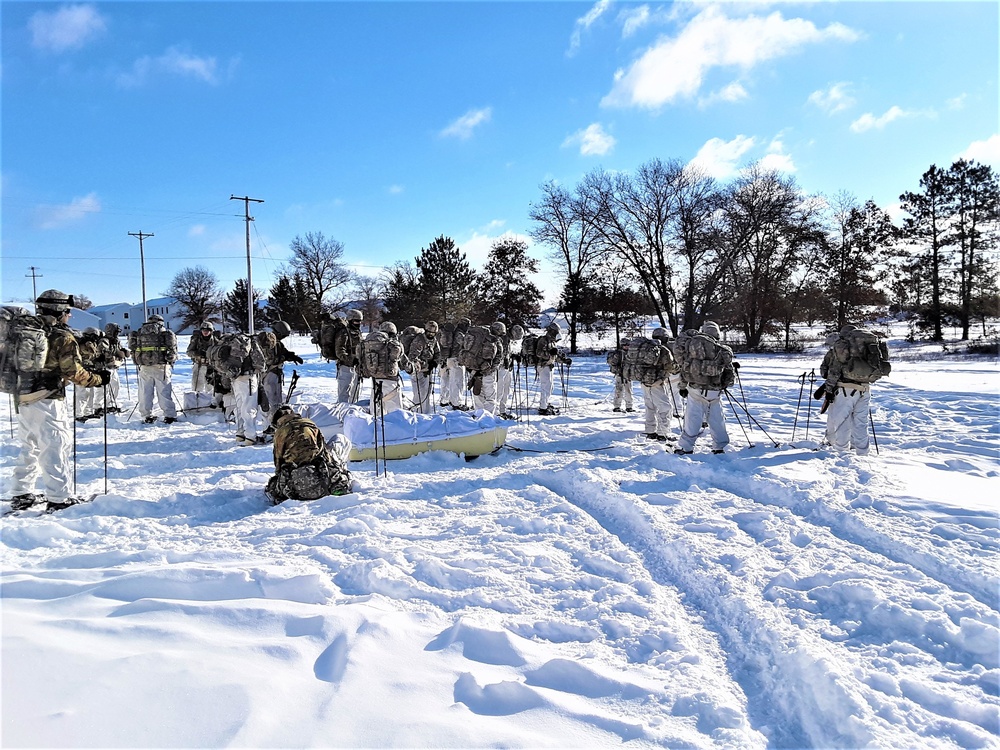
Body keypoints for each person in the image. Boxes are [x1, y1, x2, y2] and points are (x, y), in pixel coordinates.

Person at [8, 289, 109, 511]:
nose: (70, 316)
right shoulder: (62, 337)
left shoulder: (24, 331)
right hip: (48, 398)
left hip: (23, 396)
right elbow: (73, 372)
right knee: (55, 445)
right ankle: (59, 497)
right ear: (59, 311)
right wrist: (97, 379)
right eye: (67, 312)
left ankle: (21, 492)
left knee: (30, 445)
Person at [815, 324, 891, 455]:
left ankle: (841, 452)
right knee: (861, 423)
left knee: (843, 421)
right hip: (865, 388)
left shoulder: (842, 348)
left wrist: (828, 390)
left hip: (845, 389)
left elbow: (833, 371)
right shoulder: (867, 348)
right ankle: (863, 452)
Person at [264, 406, 353, 503]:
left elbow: (278, 461)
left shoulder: (280, 433)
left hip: (293, 473)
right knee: (340, 438)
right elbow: (323, 449)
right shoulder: (309, 424)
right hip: (318, 468)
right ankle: (341, 474)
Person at [673, 320, 736, 455]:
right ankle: (720, 447)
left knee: (692, 418)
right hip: (714, 391)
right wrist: (724, 385)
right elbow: (729, 376)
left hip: (695, 389)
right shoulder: (721, 350)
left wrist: (683, 386)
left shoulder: (692, 347)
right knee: (717, 419)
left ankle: (686, 447)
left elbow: (685, 367)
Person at [129, 314, 178, 424]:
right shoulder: (165, 332)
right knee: (164, 391)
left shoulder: (140, 332)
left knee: (145, 392)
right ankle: (169, 415)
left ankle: (146, 415)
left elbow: (132, 347)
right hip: (161, 366)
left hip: (144, 366)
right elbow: (172, 349)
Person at [630, 328, 677, 442]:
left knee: (650, 407)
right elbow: (670, 367)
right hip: (657, 382)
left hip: (644, 382)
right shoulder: (663, 350)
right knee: (665, 407)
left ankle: (650, 431)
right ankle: (663, 433)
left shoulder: (645, 348)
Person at [257, 322, 304, 431]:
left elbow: (283, 351)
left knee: (277, 401)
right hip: (269, 374)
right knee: (270, 401)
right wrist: (283, 358)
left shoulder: (277, 342)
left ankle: (275, 423)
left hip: (276, 374)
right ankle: (269, 426)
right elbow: (270, 359)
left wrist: (292, 356)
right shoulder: (267, 342)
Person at [359, 322, 408, 416]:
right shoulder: (392, 343)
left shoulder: (369, 342)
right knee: (395, 411)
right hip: (390, 379)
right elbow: (399, 357)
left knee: (376, 409)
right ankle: (394, 429)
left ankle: (374, 426)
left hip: (375, 379)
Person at [460, 323, 503, 414]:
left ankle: (478, 413)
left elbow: (463, 348)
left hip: (472, 368)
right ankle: (489, 415)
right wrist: (491, 369)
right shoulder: (495, 341)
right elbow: (498, 357)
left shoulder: (476, 335)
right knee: (490, 395)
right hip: (487, 371)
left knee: (477, 393)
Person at [405, 321, 441, 414]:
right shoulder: (419, 340)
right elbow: (412, 358)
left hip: (428, 372)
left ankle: (425, 413)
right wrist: (426, 365)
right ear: (426, 330)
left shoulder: (433, 340)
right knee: (419, 394)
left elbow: (437, 352)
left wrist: (435, 362)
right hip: (418, 372)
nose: (431, 335)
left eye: (433, 333)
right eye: (429, 332)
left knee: (427, 393)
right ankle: (417, 413)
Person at [535, 322, 571, 416]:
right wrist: (549, 353)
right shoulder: (543, 340)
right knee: (545, 386)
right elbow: (539, 353)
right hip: (543, 366)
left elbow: (555, 355)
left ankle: (545, 404)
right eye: (555, 332)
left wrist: (564, 360)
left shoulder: (552, 341)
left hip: (549, 366)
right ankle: (543, 408)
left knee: (550, 387)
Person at [74, 327, 105, 422]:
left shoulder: (92, 344)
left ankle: (88, 412)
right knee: (82, 394)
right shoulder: (81, 344)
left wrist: (99, 359)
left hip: (90, 371)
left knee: (90, 393)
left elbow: (93, 355)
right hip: (81, 372)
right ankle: (79, 414)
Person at [335, 310, 364, 404]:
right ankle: (342, 410)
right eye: (356, 321)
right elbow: (339, 351)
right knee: (344, 391)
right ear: (350, 320)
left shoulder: (358, 332)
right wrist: (351, 359)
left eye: (360, 321)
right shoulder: (344, 333)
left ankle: (352, 409)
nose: (359, 323)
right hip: (345, 366)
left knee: (355, 390)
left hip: (357, 366)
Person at [496, 323, 523, 419]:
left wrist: (514, 356)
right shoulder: (502, 337)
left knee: (506, 390)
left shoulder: (509, 340)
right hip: (500, 368)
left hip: (507, 368)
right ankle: (496, 412)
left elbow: (508, 352)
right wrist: (506, 360)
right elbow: (500, 352)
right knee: (499, 390)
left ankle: (502, 410)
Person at [101, 322, 129, 414]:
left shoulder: (116, 341)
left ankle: (111, 405)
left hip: (113, 367)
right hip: (104, 367)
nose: (117, 334)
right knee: (103, 389)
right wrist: (116, 356)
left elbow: (118, 350)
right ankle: (99, 407)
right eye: (116, 332)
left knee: (115, 386)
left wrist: (123, 352)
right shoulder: (104, 340)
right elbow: (104, 353)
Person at [443, 318, 471, 410]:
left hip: (452, 359)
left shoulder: (456, 332)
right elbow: (465, 344)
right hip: (456, 360)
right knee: (457, 382)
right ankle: (456, 403)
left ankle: (453, 401)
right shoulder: (459, 334)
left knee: (453, 381)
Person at [187, 321, 219, 397]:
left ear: (211, 331)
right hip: (199, 365)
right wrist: (197, 353)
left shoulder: (216, 340)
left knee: (211, 388)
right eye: (203, 330)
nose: (205, 332)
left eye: (207, 330)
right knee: (197, 387)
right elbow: (189, 352)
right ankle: (197, 402)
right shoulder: (196, 340)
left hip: (212, 366)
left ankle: (210, 404)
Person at [607, 339, 635, 414]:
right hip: (620, 375)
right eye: (625, 345)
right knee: (619, 391)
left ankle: (629, 406)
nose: (627, 346)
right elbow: (613, 363)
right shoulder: (618, 354)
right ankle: (617, 406)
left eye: (628, 345)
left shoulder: (631, 353)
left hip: (628, 375)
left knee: (629, 391)